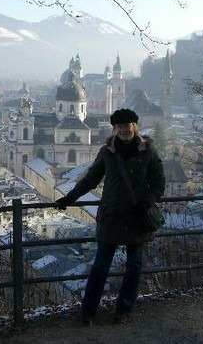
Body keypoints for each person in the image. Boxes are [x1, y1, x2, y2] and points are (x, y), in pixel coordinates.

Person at [56, 108, 165, 325]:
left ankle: (123, 310)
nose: (124, 130)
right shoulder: (107, 152)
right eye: (120, 126)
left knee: (134, 267)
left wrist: (147, 201)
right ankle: (88, 311)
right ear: (114, 129)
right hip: (112, 215)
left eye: (128, 125)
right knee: (100, 267)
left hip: (137, 215)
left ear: (135, 126)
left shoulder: (149, 151)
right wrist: (69, 198)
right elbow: (91, 179)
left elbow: (159, 183)